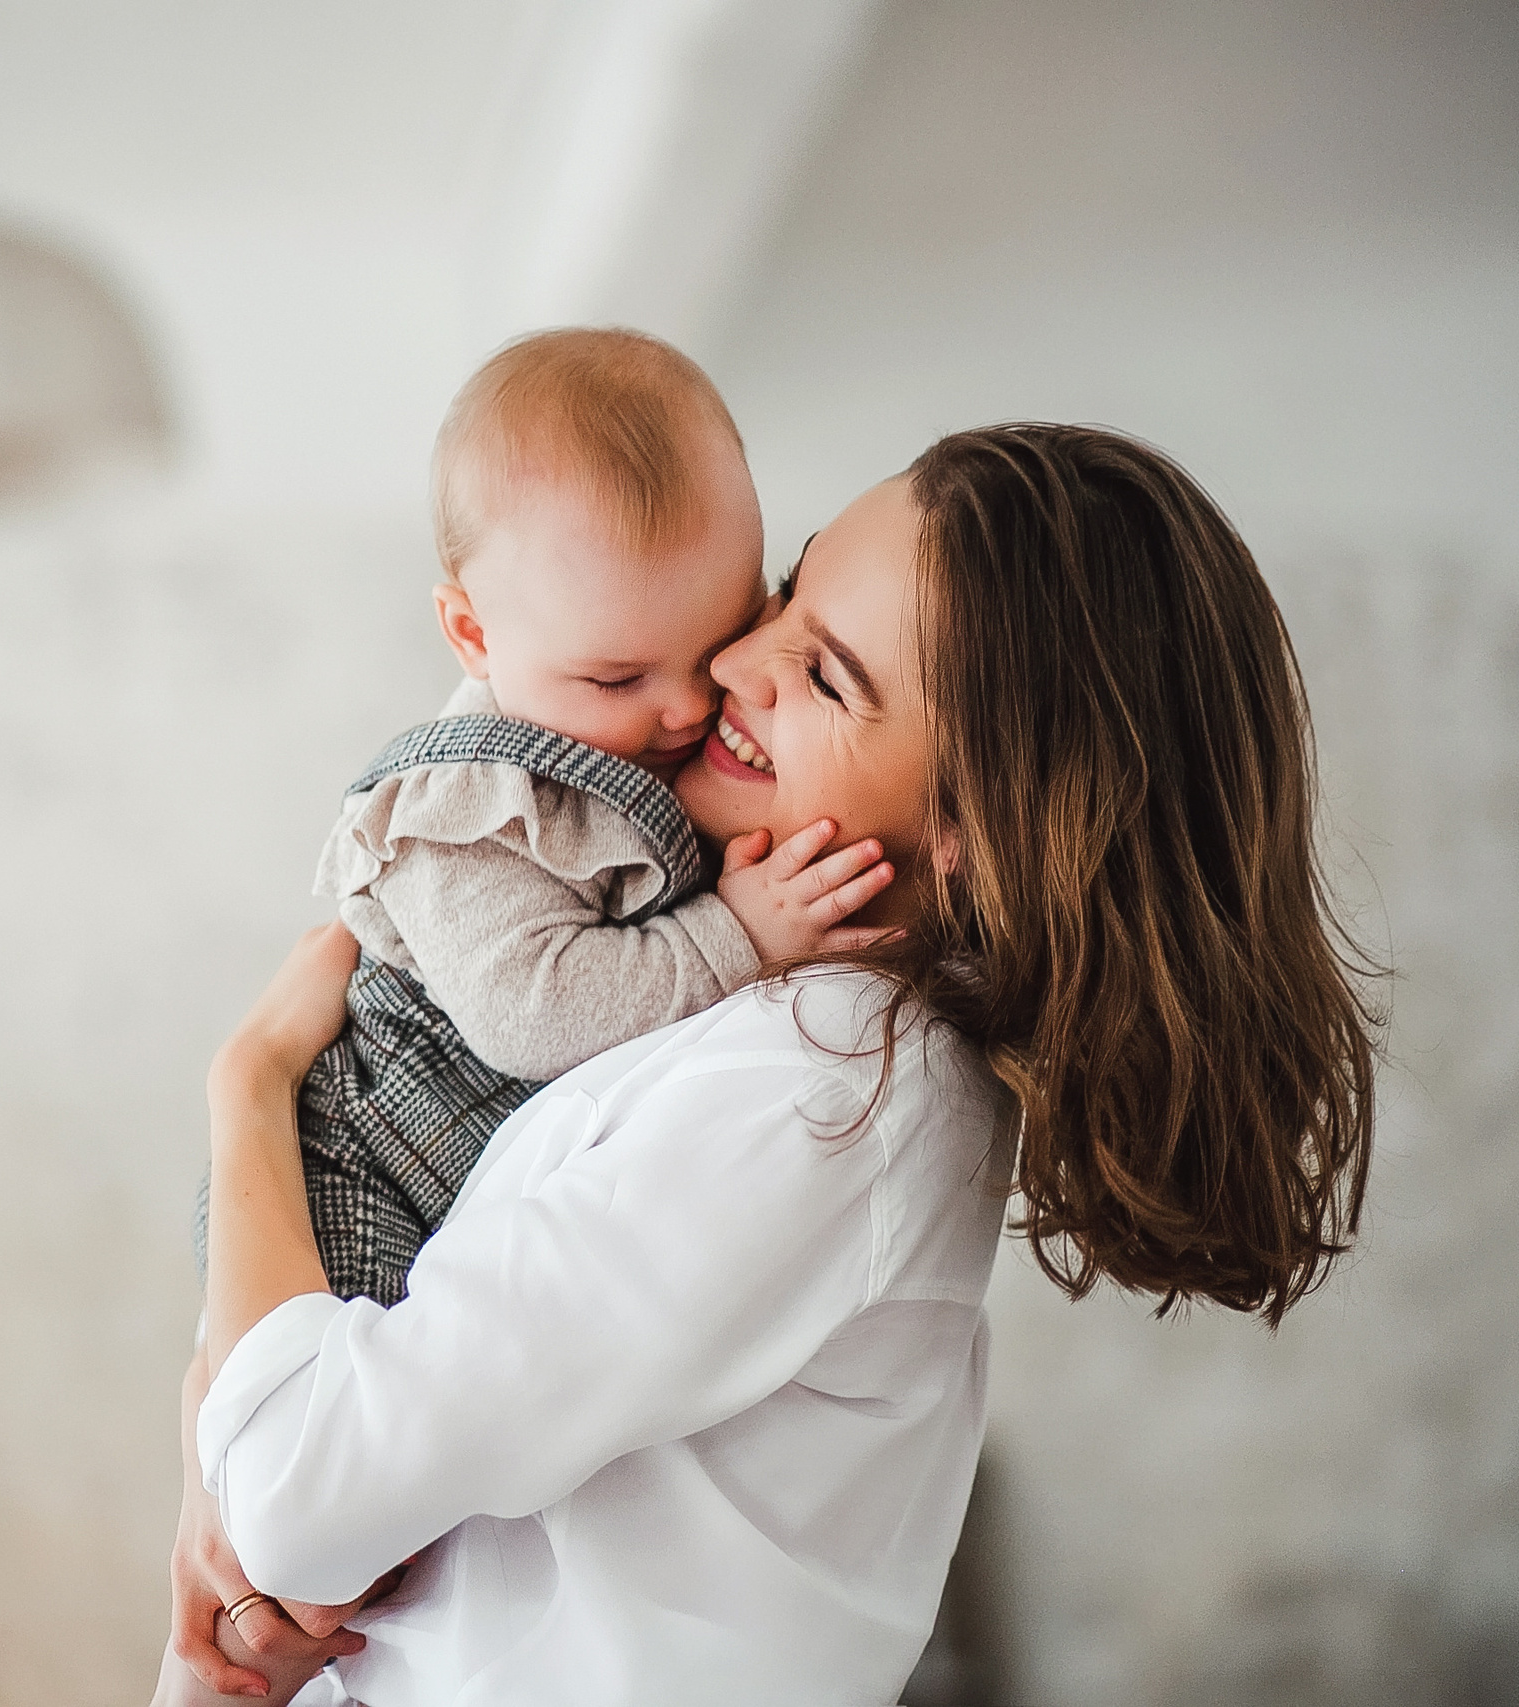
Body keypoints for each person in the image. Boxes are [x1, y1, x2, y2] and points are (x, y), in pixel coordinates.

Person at [170, 425, 1379, 1704]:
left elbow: (299, 1493)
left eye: (826, 673)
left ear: (978, 826)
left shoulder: (836, 1084)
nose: (730, 659)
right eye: (789, 590)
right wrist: (224, 1452)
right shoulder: (755, 1009)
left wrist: (247, 1089)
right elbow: (323, 1450)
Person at [155, 328, 893, 1705]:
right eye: (620, 680)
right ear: (474, 634)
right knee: (299, 1530)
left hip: (431, 1168)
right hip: (364, 1160)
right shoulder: (470, 809)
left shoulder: (846, 1058)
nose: (688, 706)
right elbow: (537, 1014)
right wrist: (741, 930)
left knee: (319, 1506)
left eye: (723, 628)